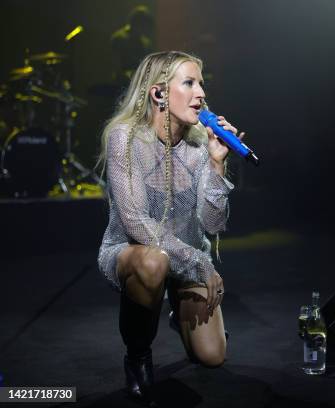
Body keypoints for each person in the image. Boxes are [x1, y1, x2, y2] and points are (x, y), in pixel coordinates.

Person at [97, 51, 243, 404]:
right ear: (159, 93)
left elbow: (212, 224)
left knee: (212, 357)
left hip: (189, 258)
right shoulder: (125, 139)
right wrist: (201, 263)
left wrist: (216, 163)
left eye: (202, 84)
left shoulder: (198, 143)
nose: (200, 94)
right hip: (137, 252)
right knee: (154, 262)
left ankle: (180, 311)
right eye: (189, 83)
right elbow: (134, 222)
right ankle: (138, 355)